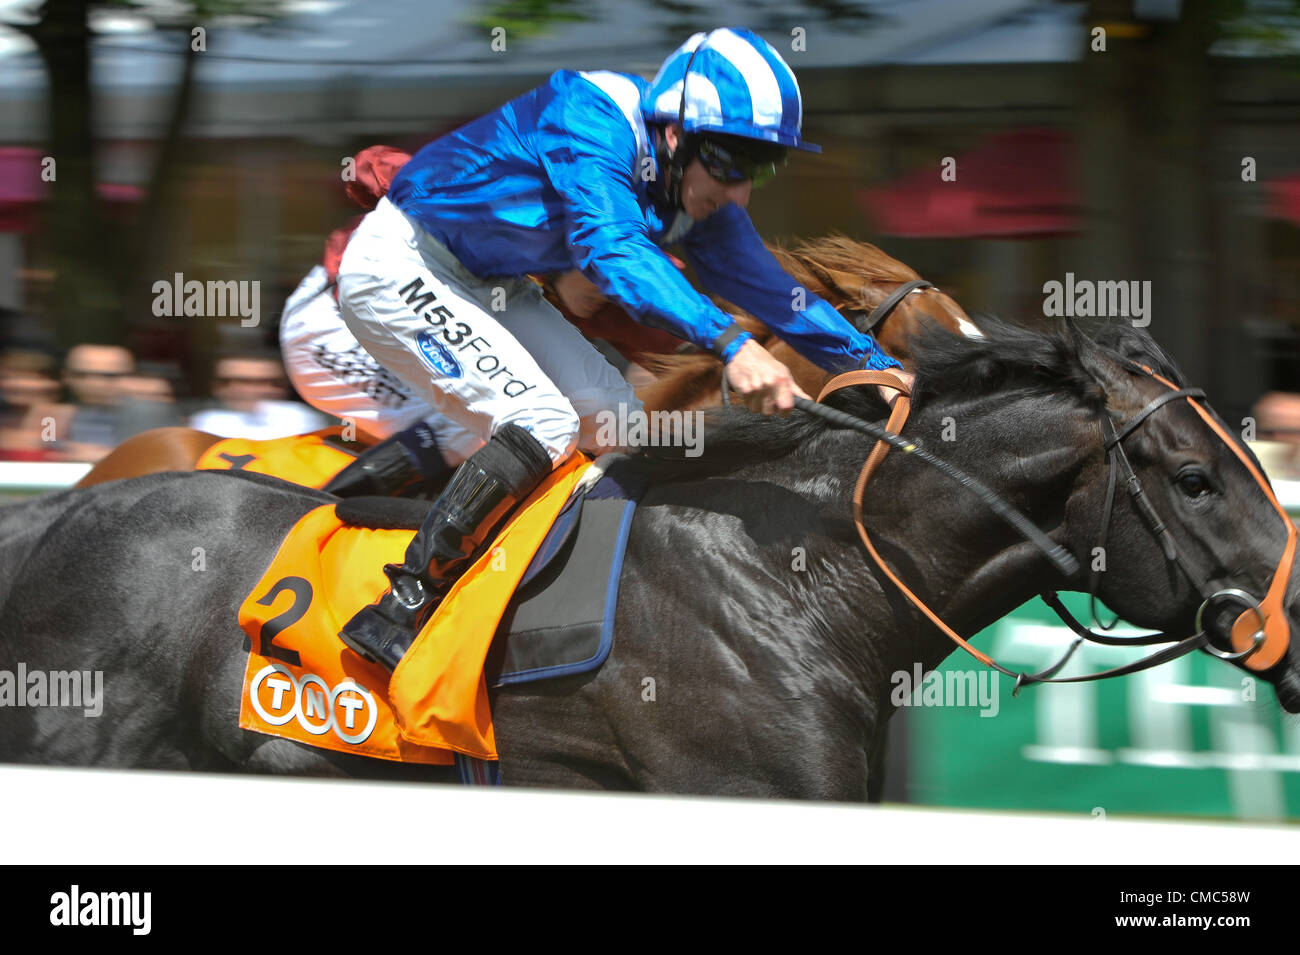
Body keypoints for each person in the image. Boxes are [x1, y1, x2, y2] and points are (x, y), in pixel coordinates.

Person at [335, 27, 910, 671]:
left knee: (619, 421)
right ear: (672, 133)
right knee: (545, 424)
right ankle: (404, 606)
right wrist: (732, 345)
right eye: (728, 163)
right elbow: (611, 248)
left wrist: (873, 363)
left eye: (760, 167)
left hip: (486, 284)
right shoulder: (589, 115)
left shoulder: (694, 183)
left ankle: (541, 598)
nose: (739, 190)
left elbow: (776, 293)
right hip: (401, 265)